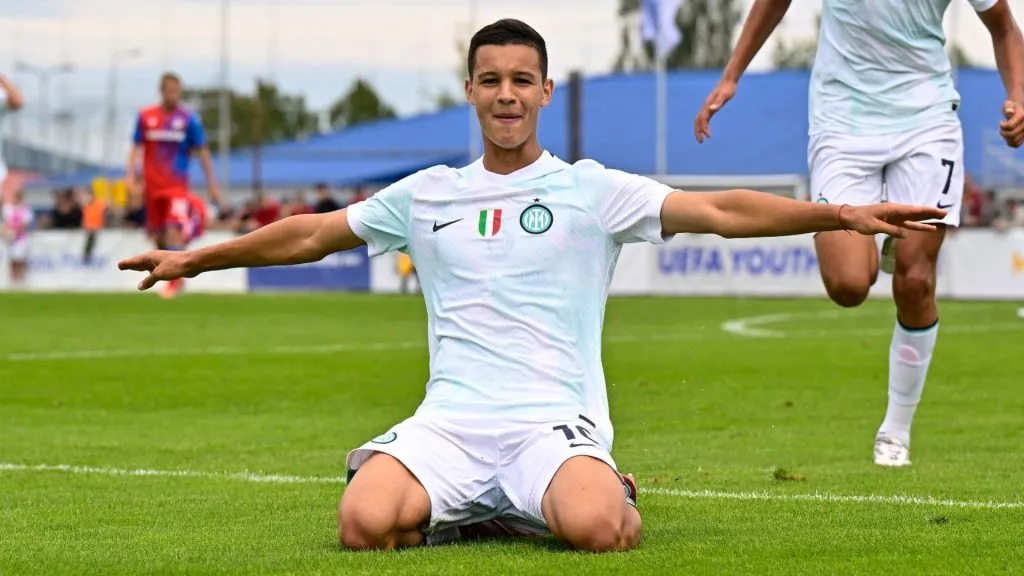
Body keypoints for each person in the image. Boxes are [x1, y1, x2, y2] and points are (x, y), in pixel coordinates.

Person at [119, 19, 945, 552]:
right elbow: (310, 233)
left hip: (551, 426)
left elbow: (721, 210)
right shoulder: (428, 194)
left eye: (522, 80)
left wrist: (838, 212)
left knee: (600, 529)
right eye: (491, 80)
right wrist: (195, 259)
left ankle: (598, 483)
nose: (506, 94)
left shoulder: (591, 188)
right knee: (360, 524)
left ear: (544, 91)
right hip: (450, 425)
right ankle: (466, 504)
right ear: (471, 92)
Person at [694, 0, 1024, 467]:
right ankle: (883, 237)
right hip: (842, 120)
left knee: (915, 280)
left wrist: (1019, 94)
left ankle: (896, 430)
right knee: (847, 285)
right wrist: (732, 75)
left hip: (926, 120)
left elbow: (1004, 26)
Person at [125, 72, 222, 299]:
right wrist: (130, 176)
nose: (174, 96)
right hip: (152, 187)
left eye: (177, 92)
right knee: (158, 235)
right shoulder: (146, 116)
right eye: (170, 91)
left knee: (173, 230)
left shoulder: (189, 119)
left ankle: (173, 283)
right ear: (162, 92)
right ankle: (172, 276)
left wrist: (212, 183)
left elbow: (203, 151)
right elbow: (136, 147)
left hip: (176, 187)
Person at [2, 188, 32, 286]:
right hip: (11, 240)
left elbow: (25, 224)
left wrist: (16, 231)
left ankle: (21, 280)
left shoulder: (25, 209)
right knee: (12, 261)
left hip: (21, 239)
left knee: (20, 260)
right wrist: (8, 232)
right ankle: (13, 280)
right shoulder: (8, 208)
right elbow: (6, 223)